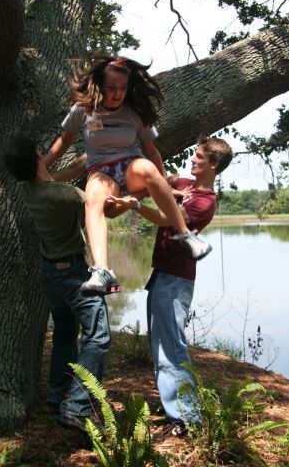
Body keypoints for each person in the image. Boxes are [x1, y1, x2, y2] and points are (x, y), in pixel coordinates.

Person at [45, 55, 212, 296]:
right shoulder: (83, 110)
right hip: (102, 172)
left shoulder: (135, 111)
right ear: (99, 86)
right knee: (92, 198)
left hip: (131, 166)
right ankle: (102, 270)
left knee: (146, 168)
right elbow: (63, 142)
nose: (117, 94)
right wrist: (44, 170)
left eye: (123, 88)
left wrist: (164, 183)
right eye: (112, 88)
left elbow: (152, 151)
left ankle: (185, 236)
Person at [107, 135, 233, 438]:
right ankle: (176, 410)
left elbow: (166, 218)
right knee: (161, 344)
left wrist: (135, 206)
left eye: (199, 157)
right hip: (162, 274)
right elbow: (162, 178)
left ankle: (188, 418)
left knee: (171, 346)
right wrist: (146, 144)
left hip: (176, 280)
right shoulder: (188, 186)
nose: (192, 160)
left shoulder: (205, 202)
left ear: (213, 165)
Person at [3, 136, 111, 432]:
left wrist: (83, 161)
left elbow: (54, 180)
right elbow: (97, 204)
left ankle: (57, 393)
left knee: (65, 332)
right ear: (39, 155)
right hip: (73, 273)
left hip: (50, 275)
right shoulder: (63, 195)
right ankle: (76, 406)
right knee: (98, 336)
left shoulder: (30, 190)